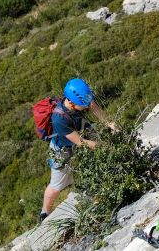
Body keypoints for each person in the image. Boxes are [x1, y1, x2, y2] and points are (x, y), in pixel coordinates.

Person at [40, 77, 118, 224]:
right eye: (83, 104)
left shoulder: (77, 99)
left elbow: (93, 106)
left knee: (101, 139)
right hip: (62, 150)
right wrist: (108, 145)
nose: (87, 105)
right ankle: (45, 213)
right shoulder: (59, 119)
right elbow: (81, 143)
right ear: (71, 103)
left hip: (79, 130)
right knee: (58, 184)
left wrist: (109, 124)